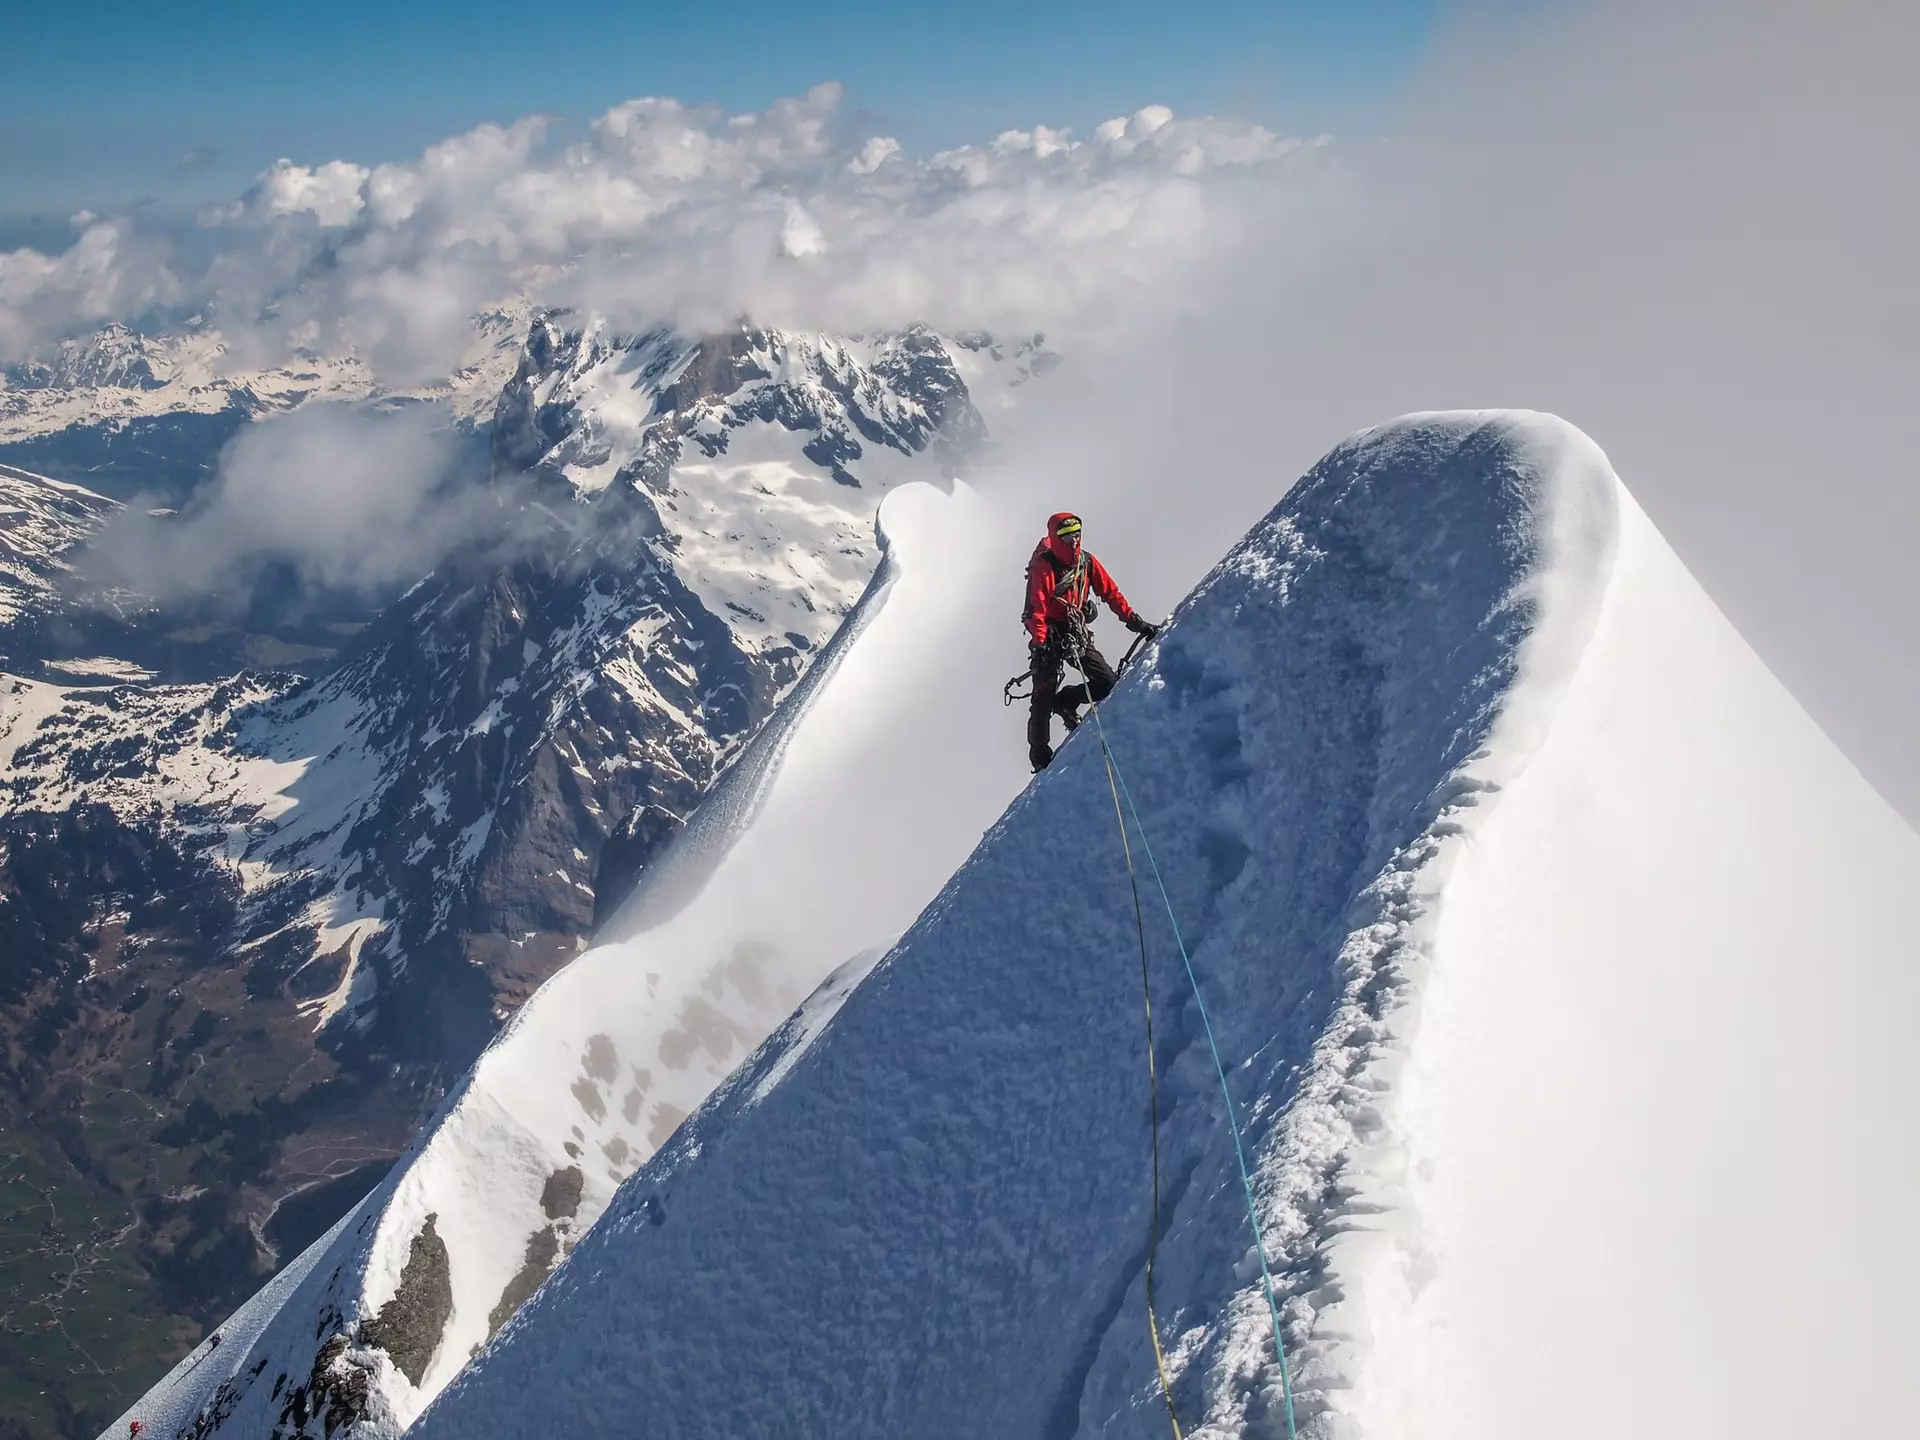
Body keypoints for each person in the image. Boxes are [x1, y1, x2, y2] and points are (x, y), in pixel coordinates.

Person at [1022, 511, 1158, 771]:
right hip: (1049, 634)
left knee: (1107, 682)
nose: (1073, 540)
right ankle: (1039, 757)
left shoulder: (1086, 562)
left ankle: (1066, 700)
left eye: (1076, 534)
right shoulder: (1044, 567)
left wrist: (1134, 622)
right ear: (1055, 537)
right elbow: (1036, 610)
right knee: (1042, 697)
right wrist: (1040, 643)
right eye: (1066, 536)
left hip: (1073, 631)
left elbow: (1110, 592)